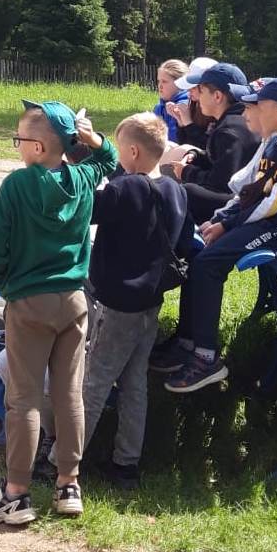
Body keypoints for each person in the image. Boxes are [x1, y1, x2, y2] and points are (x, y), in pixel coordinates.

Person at [0, 100, 117, 525]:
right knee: (68, 394)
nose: (17, 145)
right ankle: (68, 484)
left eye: (20, 139)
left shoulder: (17, 186)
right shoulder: (83, 178)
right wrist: (91, 137)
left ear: (38, 147)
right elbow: (108, 158)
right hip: (74, 300)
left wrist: (7, 288)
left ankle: (17, 492)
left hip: (29, 301)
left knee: (22, 398)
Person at [157, 77, 277, 393]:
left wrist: (227, 225)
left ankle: (207, 358)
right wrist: (223, 217)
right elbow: (249, 190)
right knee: (198, 254)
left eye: (257, 107)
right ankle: (188, 340)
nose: (249, 112)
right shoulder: (276, 143)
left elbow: (272, 203)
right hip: (261, 222)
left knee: (209, 263)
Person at [81, 112, 192, 488]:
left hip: (118, 303)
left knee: (95, 382)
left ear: (130, 152)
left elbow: (86, 210)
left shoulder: (124, 189)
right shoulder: (176, 189)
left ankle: (61, 460)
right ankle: (125, 465)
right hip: (151, 300)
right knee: (134, 384)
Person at [170, 62, 258, 224]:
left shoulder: (230, 130)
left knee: (185, 192)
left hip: (242, 202)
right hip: (243, 194)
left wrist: (187, 172)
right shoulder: (233, 121)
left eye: (201, 91)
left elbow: (221, 183)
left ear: (217, 96)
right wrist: (197, 156)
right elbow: (220, 163)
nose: (196, 97)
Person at [165, 55, 218, 147]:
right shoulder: (195, 104)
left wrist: (188, 123)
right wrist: (181, 122)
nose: (188, 91)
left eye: (193, 87)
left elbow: (207, 148)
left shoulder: (217, 113)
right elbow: (184, 143)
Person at [153, 59, 190, 142]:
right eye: (159, 81)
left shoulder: (186, 107)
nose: (160, 86)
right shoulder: (159, 108)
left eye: (164, 82)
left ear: (180, 83)